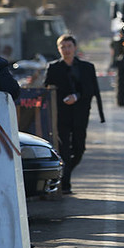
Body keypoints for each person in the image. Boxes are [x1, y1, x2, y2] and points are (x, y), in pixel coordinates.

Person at [43, 34, 105, 194]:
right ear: (58, 49)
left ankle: (66, 172)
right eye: (63, 47)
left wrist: (76, 96)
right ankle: (66, 184)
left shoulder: (86, 67)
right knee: (63, 149)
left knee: (79, 148)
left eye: (69, 46)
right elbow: (46, 90)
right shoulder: (53, 67)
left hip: (80, 114)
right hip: (61, 115)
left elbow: (91, 90)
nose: (66, 50)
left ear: (75, 48)